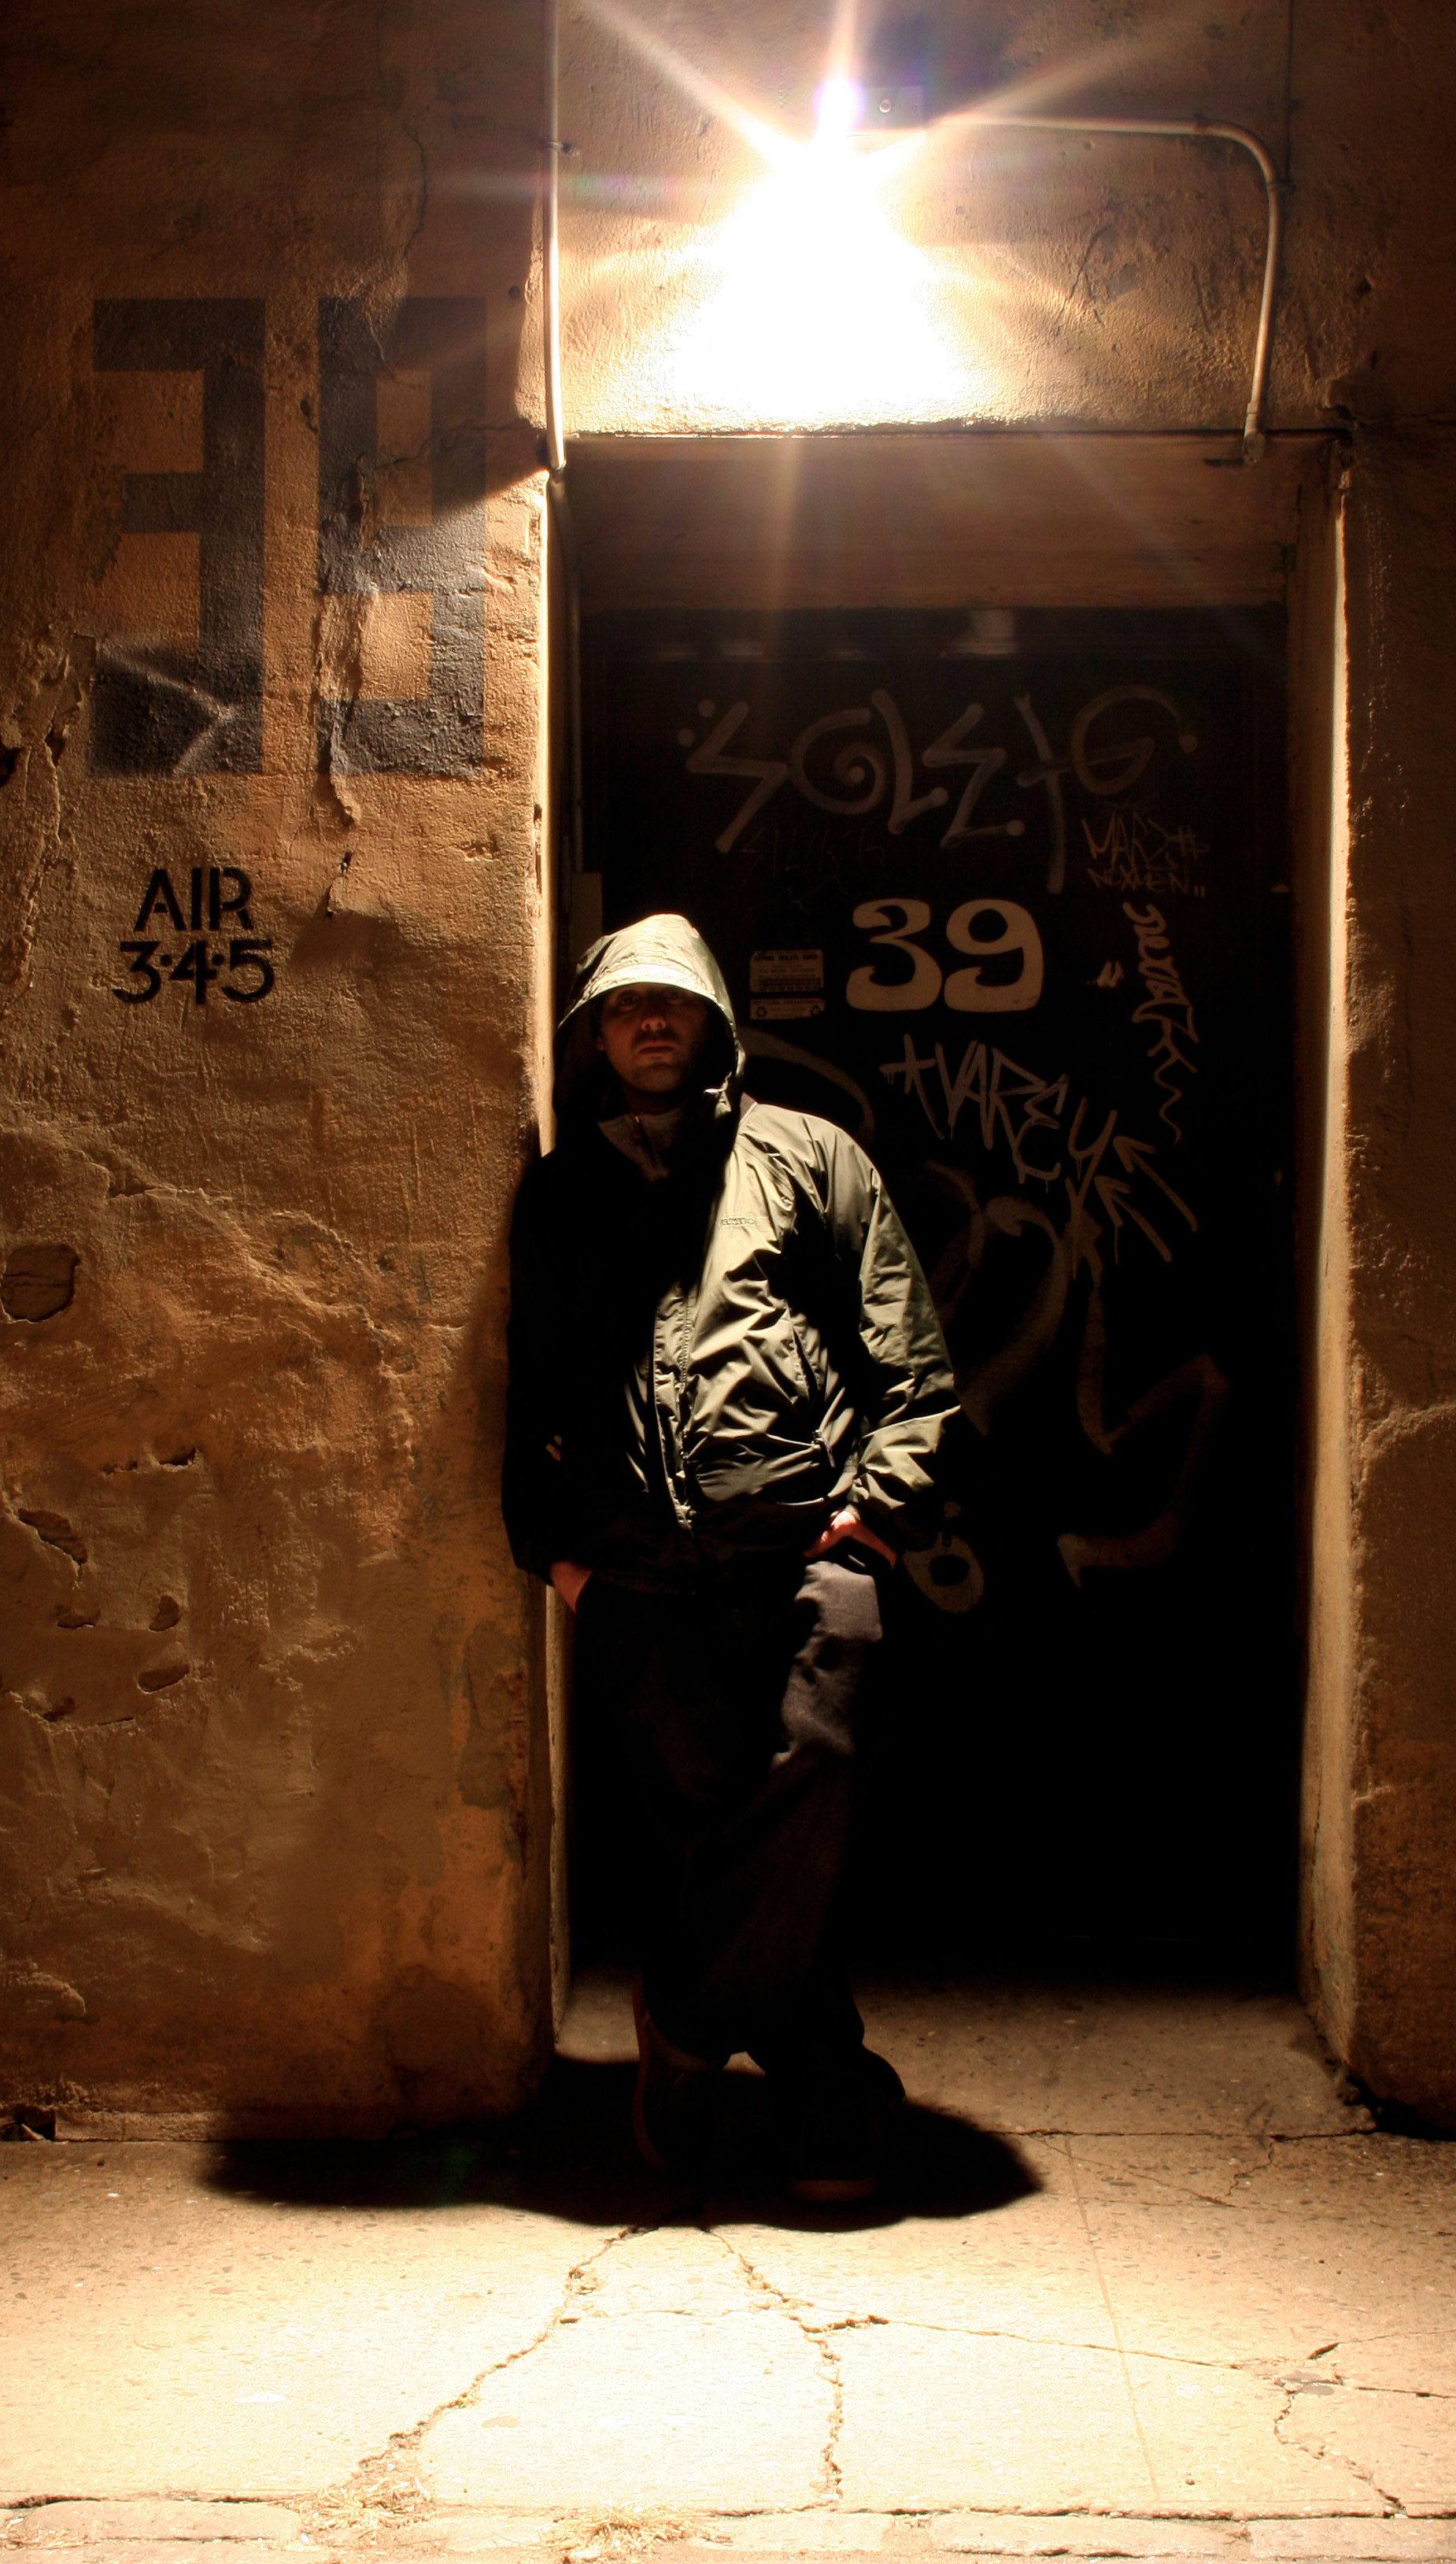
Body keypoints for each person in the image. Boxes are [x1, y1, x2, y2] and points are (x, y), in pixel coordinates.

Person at [503, 912, 958, 2199]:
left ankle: (690, 2023)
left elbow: (911, 1359)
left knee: (814, 1769)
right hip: (637, 1578)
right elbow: (532, 1384)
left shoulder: (809, 1158)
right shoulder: (565, 1189)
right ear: (597, 1036)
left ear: (712, 1021)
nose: (650, 1021)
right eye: (623, 1005)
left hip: (804, 1553)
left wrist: (878, 1515)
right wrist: (559, 1559)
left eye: (674, 1001)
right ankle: (829, 2095)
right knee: (723, 1842)